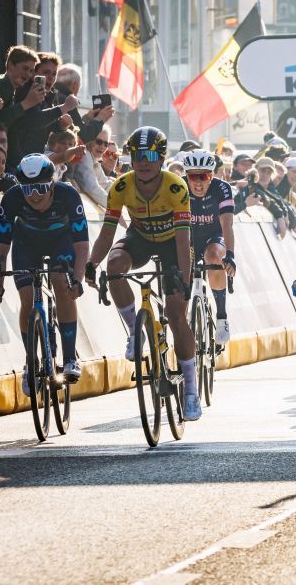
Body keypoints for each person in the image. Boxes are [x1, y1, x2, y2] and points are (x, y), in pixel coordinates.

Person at [84, 127, 201, 421]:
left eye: (150, 156)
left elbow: (184, 241)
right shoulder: (121, 186)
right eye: (137, 156)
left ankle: (191, 388)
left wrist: (184, 282)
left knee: (176, 315)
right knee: (115, 265)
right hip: (141, 238)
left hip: (173, 244)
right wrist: (91, 263)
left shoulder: (176, 187)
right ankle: (135, 330)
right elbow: (108, 233)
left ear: (161, 158)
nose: (143, 162)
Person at [0, 155, 89, 389]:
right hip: (26, 244)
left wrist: (78, 279)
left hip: (61, 242)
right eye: (29, 189)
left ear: (52, 184)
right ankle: (30, 362)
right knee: (26, 299)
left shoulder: (68, 194)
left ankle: (70, 358)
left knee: (60, 283)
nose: (35, 195)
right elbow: (1, 248)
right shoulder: (12, 197)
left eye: (42, 188)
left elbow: (82, 244)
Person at [183, 150, 237, 344]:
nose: (198, 182)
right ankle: (183, 327)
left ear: (212, 175)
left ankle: (221, 316)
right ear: (186, 176)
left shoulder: (221, 188)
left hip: (214, 235)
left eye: (204, 176)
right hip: (188, 237)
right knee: (181, 272)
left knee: (214, 256)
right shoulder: (179, 187)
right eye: (193, 176)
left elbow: (227, 225)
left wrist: (230, 255)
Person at [0, 45, 46, 130]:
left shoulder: (6, 84)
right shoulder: (2, 84)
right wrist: (27, 103)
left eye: (31, 71)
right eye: (25, 68)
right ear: (11, 64)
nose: (28, 74)